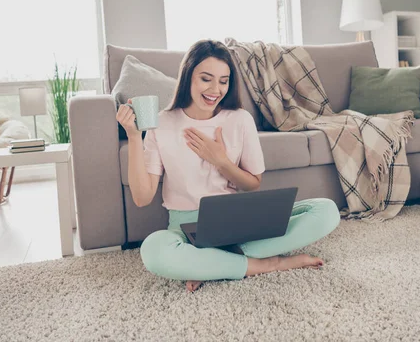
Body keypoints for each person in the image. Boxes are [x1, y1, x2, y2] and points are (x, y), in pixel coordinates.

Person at [116, 40, 340, 292]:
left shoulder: (240, 120)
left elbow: (252, 184)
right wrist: (134, 137)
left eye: (223, 81)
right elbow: (142, 196)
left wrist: (220, 160)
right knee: (154, 251)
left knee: (326, 210)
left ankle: (209, 264)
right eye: (206, 79)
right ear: (188, 76)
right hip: (186, 230)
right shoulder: (162, 122)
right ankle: (268, 264)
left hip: (236, 223)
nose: (215, 89)